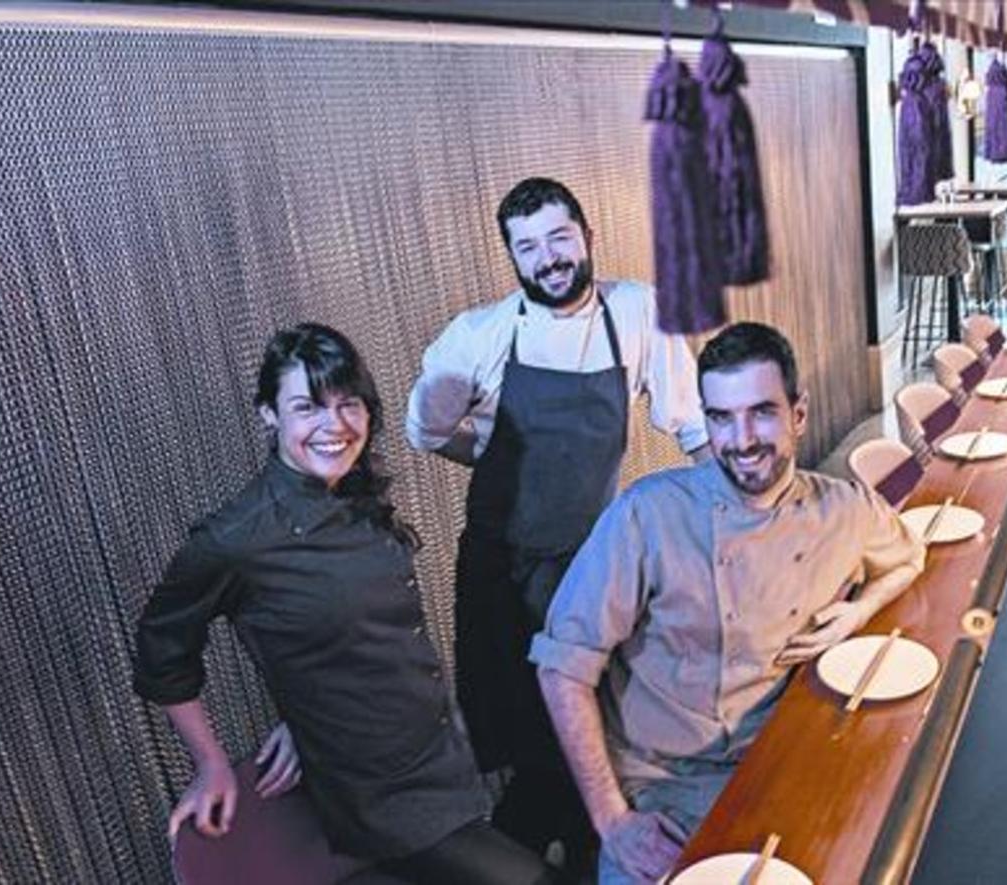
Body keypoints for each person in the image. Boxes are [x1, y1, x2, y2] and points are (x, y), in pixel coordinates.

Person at [133, 323, 554, 885]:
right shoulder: (236, 538)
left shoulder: (356, 494)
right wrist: (210, 763)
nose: (334, 426)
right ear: (268, 414)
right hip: (379, 799)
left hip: (437, 754)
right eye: (307, 407)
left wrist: (305, 713)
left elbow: (352, 635)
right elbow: (162, 656)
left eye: (348, 404)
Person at [530, 322, 927, 884]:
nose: (741, 440)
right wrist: (613, 821)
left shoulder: (845, 509)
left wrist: (860, 610)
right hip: (658, 785)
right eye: (721, 417)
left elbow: (911, 557)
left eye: (761, 412)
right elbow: (560, 668)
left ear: (799, 414)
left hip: (782, 757)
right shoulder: (646, 515)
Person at [405, 177, 709, 871]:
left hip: (586, 564)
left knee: (592, 726)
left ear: (587, 236)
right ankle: (560, 856)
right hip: (498, 570)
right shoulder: (479, 334)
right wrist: (483, 451)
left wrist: (721, 517)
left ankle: (573, 852)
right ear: (512, 257)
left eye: (559, 238)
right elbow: (425, 430)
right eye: (529, 246)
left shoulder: (634, 311)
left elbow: (693, 424)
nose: (548, 258)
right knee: (533, 743)